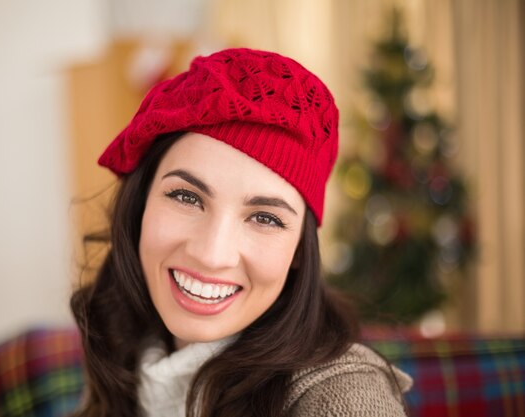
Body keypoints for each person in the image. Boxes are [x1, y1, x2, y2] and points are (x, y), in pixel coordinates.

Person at [70, 47, 412, 417]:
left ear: (299, 249)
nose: (211, 254)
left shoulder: (342, 395)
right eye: (186, 197)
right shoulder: (126, 347)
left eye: (265, 218)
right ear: (140, 204)